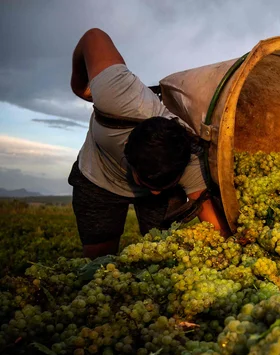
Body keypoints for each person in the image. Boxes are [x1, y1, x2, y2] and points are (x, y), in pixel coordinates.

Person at [69, 28, 230, 258]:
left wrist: (231, 249)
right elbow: (93, 37)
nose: (155, 192)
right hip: (98, 178)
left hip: (163, 185)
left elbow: (214, 223)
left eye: (162, 185)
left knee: (159, 252)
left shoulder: (190, 162)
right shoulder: (116, 95)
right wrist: (78, 86)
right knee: (99, 257)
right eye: (147, 183)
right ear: (128, 155)